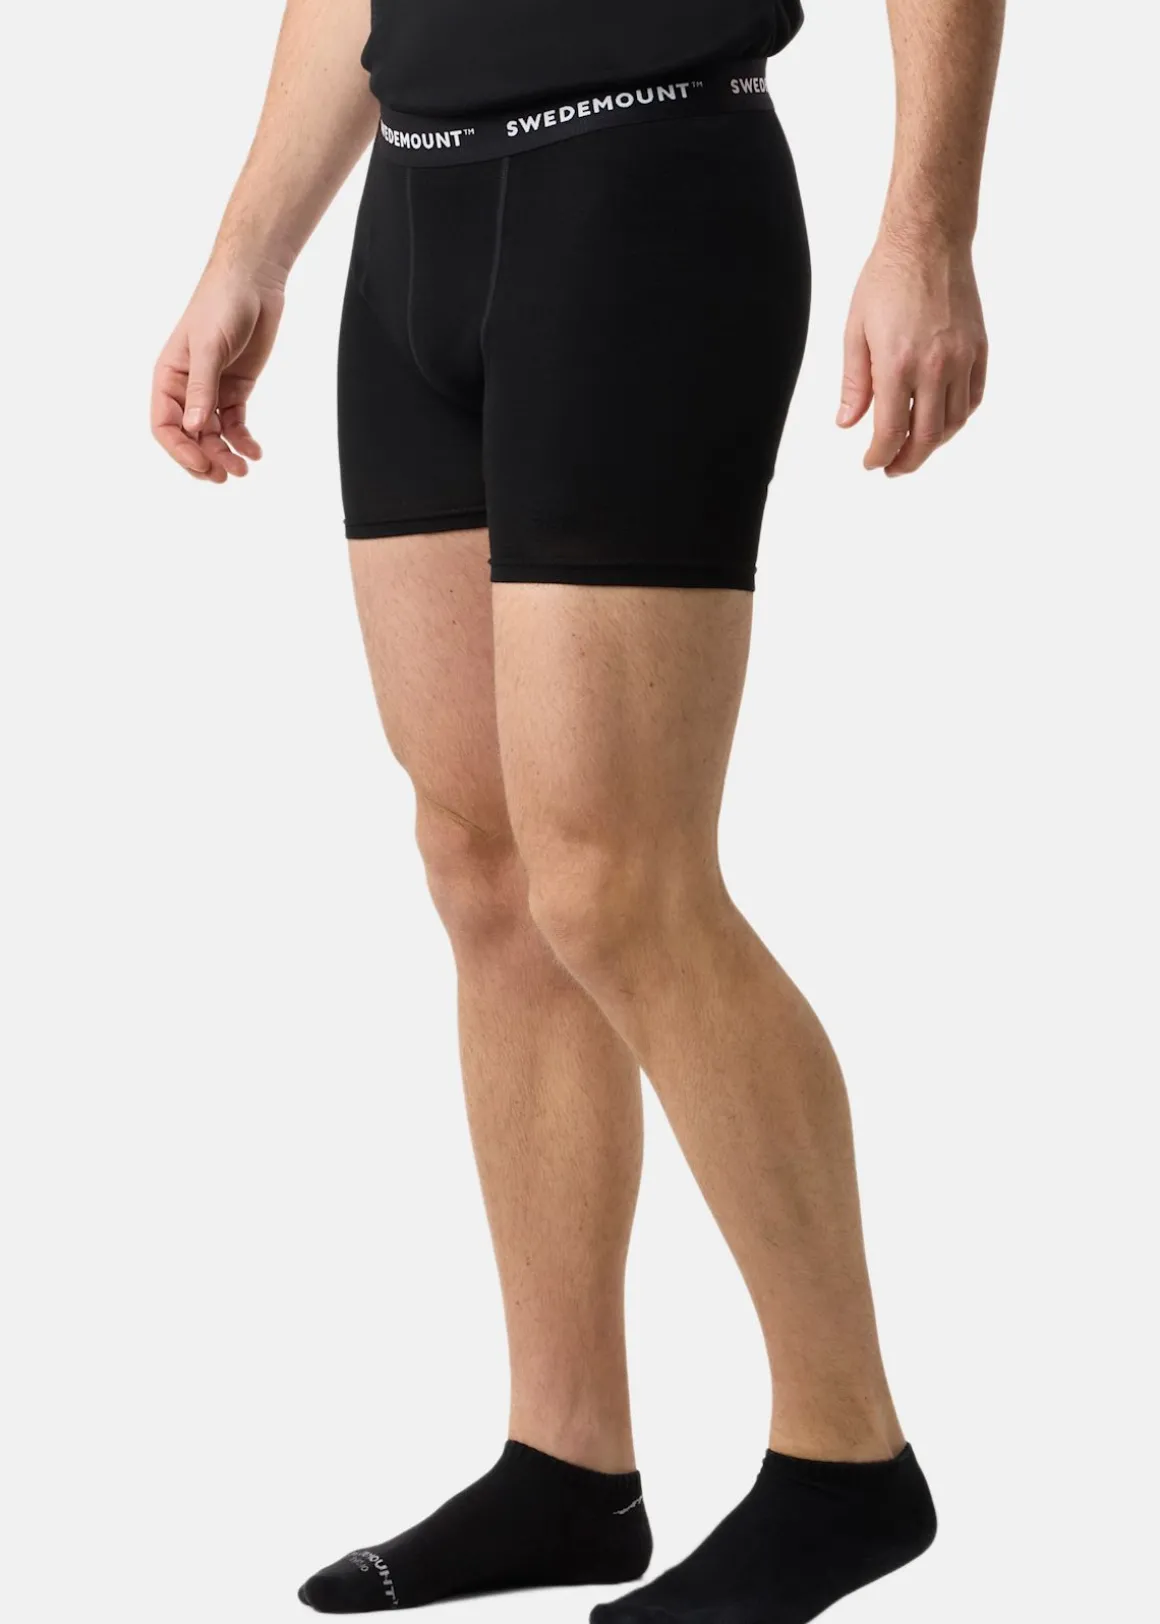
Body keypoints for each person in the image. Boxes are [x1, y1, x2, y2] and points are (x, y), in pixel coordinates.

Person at [151, 1, 1003, 1617]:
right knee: (480, 864)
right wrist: (247, 247)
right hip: (414, 208)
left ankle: (848, 1463)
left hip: (643, 192)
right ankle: (567, 1469)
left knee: (620, 881)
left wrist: (929, 226)